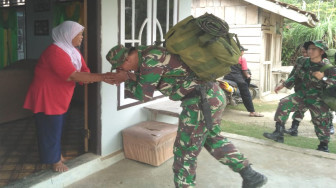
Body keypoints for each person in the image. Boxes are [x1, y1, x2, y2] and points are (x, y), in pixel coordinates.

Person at [105, 44, 267, 188]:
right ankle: (250, 175)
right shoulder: (147, 54)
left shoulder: (150, 59)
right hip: (211, 96)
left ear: (126, 60)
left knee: (184, 152)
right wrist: (129, 77)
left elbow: (143, 94)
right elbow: (153, 82)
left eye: (121, 68)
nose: (124, 71)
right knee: (212, 139)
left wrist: (125, 79)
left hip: (200, 102)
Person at [23, 21, 113, 172]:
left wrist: (100, 77)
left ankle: (55, 154)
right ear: (67, 35)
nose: (82, 37)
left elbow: (84, 70)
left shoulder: (72, 51)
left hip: (60, 96)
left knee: (56, 127)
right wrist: (103, 77)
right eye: (79, 34)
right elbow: (73, 75)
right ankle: (55, 161)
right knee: (49, 128)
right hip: (47, 96)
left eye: (82, 34)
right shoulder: (55, 52)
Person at [263, 40, 336, 152]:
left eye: (313, 49)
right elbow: (296, 76)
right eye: (309, 49)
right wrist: (283, 85)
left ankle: (323, 146)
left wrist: (323, 78)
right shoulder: (303, 62)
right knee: (284, 103)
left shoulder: (327, 67)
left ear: (321, 51)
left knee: (321, 122)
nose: (310, 51)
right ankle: (278, 133)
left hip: (318, 99)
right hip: (302, 94)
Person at [284, 43, 335, 136]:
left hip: (320, 94)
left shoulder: (325, 63)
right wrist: (286, 83)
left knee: (324, 113)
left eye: (306, 52)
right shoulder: (301, 60)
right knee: (300, 109)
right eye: (303, 52)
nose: (305, 54)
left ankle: (329, 127)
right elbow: (294, 73)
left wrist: (323, 78)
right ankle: (294, 128)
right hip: (302, 89)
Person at [223, 46, 264, 117]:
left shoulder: (228, 58)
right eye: (243, 51)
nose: (243, 52)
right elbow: (245, 72)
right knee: (246, 93)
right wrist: (248, 76)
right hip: (237, 78)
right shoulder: (242, 59)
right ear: (240, 52)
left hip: (227, 77)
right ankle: (252, 112)